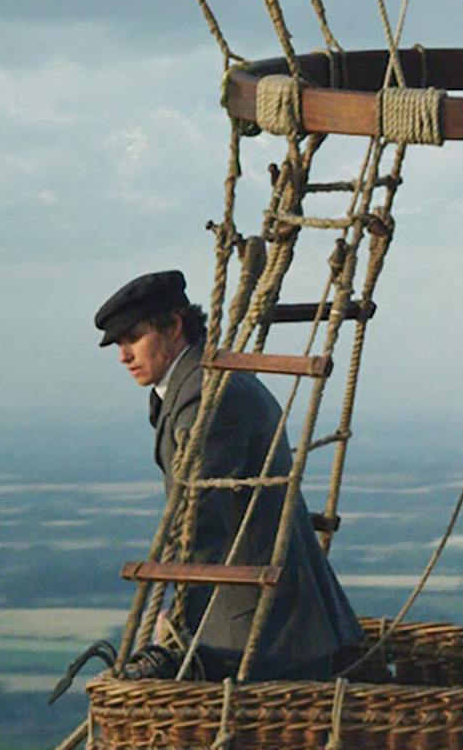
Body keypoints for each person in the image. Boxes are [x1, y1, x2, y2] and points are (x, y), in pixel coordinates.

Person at [95, 270, 362, 680]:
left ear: (173, 327)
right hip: (266, 617)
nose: (123, 355)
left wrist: (182, 612)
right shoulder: (200, 383)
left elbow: (199, 515)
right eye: (118, 343)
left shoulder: (209, 396)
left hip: (265, 630)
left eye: (133, 338)